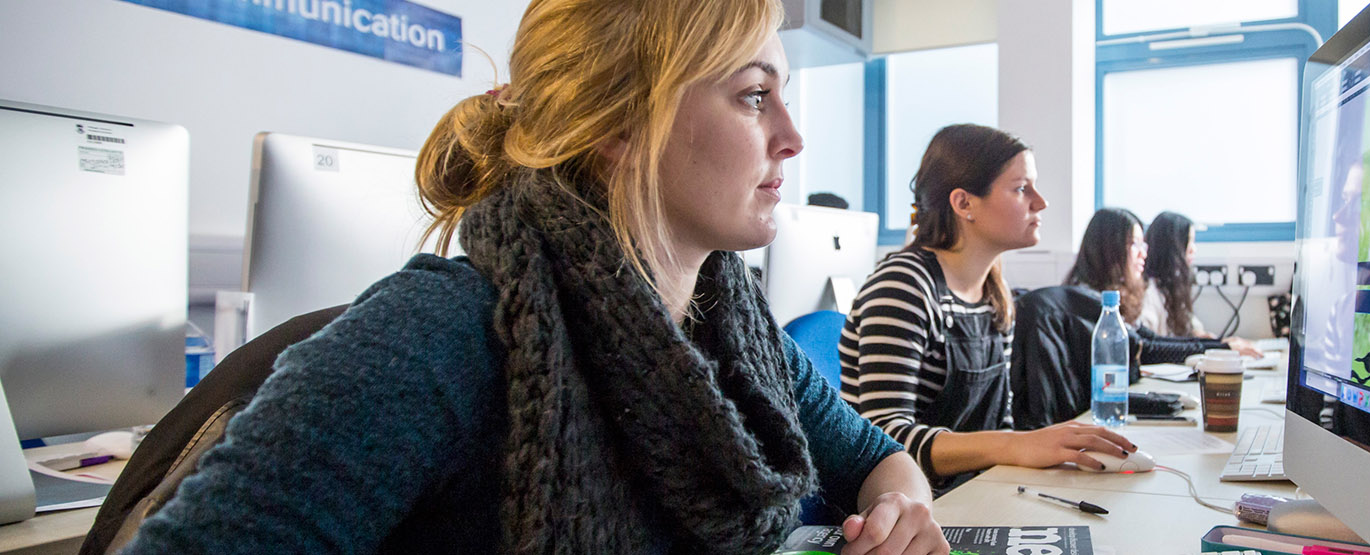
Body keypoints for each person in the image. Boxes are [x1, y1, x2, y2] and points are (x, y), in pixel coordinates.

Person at [118, 1, 947, 553]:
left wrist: (903, 506)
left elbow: (877, 456)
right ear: (622, 126)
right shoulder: (444, 335)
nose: (794, 137)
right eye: (754, 96)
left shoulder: (735, 331)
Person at [840, 124, 1137, 486]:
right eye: (1021, 188)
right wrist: (1015, 446)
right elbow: (884, 441)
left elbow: (999, 421)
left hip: (970, 493)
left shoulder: (995, 292)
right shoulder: (903, 285)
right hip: (901, 511)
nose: (1040, 202)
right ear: (964, 203)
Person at [1067, 208, 1262, 359]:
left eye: (1143, 244)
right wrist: (1220, 348)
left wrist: (1217, 345)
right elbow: (1146, 349)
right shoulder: (1088, 299)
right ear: (1110, 250)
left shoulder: (1115, 294)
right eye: (1135, 244)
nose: (1144, 252)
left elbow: (1148, 340)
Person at [1141, 211, 1211, 338]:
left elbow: (1192, 328)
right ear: (1173, 246)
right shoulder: (1148, 293)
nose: (1193, 249)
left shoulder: (1173, 287)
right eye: (1189, 241)